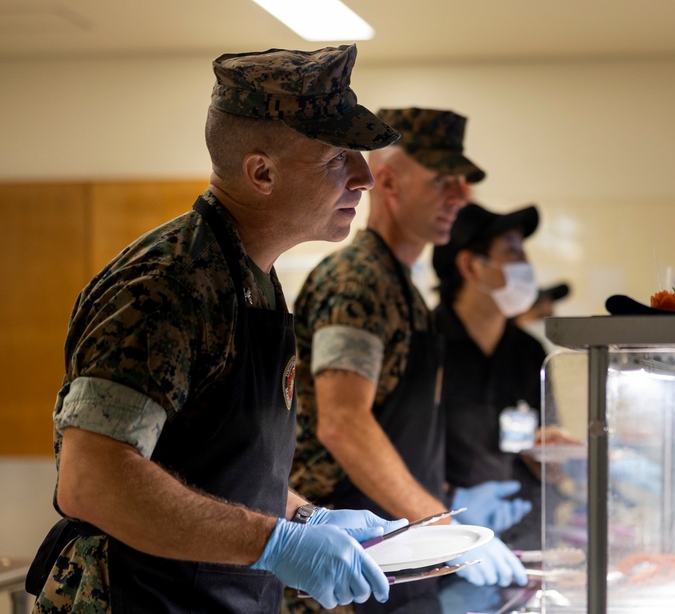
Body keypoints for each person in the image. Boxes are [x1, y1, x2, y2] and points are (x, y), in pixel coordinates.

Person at [26, 45, 407, 613]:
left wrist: (303, 516)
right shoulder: (167, 286)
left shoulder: (253, 280)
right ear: (262, 172)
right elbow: (93, 481)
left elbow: (209, 468)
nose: (364, 178)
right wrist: (275, 542)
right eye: (335, 159)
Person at [288, 108, 529, 614]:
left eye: (463, 184)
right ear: (390, 182)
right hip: (344, 574)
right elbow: (342, 422)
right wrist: (446, 528)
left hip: (397, 560)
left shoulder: (406, 289)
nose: (461, 198)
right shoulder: (358, 280)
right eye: (444, 181)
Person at [430, 204, 578, 613]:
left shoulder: (528, 351)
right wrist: (448, 503)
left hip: (526, 550)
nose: (527, 266)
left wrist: (552, 453)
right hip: (446, 554)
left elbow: (544, 441)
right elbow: (397, 452)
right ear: (471, 267)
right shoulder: (425, 347)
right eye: (513, 253)